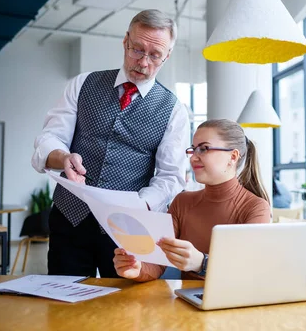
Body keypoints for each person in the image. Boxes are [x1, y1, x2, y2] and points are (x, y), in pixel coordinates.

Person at [31, 9, 190, 277]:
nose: (143, 62)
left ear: (167, 56)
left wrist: (138, 206)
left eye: (155, 55)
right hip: (70, 217)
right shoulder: (83, 84)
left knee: (123, 311)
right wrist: (62, 157)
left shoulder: (174, 110)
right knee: (63, 309)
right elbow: (51, 137)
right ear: (125, 41)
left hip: (128, 227)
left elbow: (171, 178)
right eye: (137, 50)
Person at [113, 119, 271, 281]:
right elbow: (157, 263)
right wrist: (137, 268)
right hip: (185, 303)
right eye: (193, 150)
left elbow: (249, 272)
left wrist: (202, 263)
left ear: (233, 156)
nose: (193, 158)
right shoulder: (182, 201)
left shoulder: (256, 208)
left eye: (204, 149)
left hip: (233, 303)